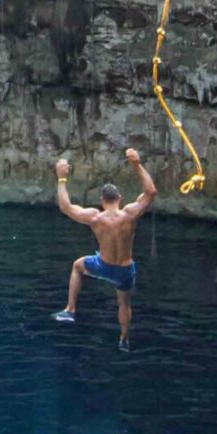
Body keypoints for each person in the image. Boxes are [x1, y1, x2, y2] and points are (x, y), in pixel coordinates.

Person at [52, 148, 156, 350]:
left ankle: (70, 310)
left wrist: (62, 178)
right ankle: (124, 338)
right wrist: (136, 164)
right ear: (119, 198)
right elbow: (151, 192)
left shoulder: (95, 217)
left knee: (77, 265)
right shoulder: (129, 215)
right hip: (125, 270)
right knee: (124, 303)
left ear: (102, 200)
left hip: (104, 266)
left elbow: (65, 207)